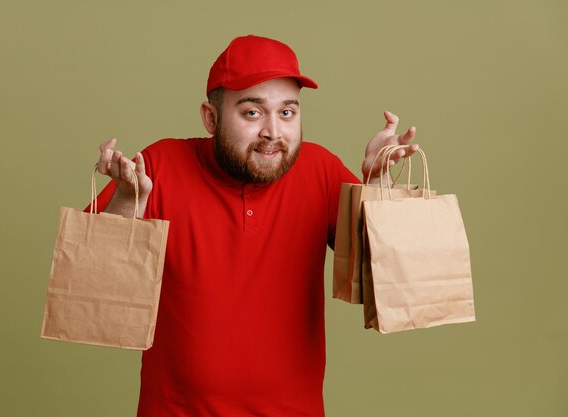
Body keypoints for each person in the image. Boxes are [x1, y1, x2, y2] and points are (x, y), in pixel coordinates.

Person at [90, 35, 418, 417]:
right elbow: (98, 280)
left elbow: (383, 278)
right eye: (252, 113)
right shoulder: (159, 164)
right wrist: (127, 202)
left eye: (287, 113)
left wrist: (377, 185)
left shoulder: (321, 170)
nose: (273, 132)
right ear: (210, 118)